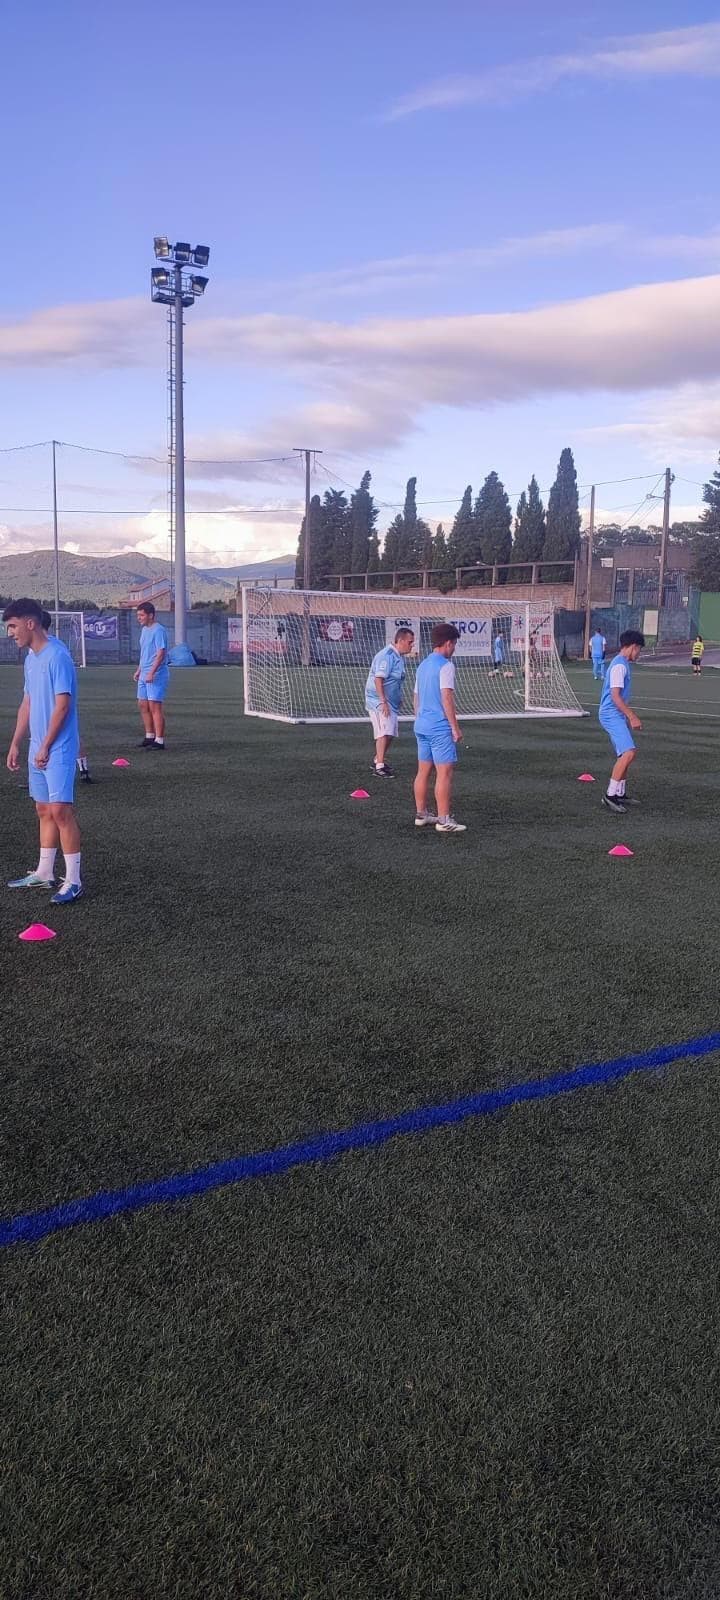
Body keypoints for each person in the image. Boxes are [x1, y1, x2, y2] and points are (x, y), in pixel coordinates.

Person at [3, 597, 83, 903]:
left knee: (61, 811)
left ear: (30, 623)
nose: (10, 633)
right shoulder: (30, 659)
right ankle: (45, 872)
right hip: (38, 746)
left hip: (58, 747)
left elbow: (63, 706)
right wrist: (16, 742)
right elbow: (28, 703)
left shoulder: (56, 656)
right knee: (42, 809)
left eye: (12, 626)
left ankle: (73, 880)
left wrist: (47, 745)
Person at [413, 622, 466, 834]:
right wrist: (455, 727)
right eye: (454, 645)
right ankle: (444, 820)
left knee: (423, 771)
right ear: (447, 643)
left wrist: (420, 718)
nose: (454, 649)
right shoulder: (446, 665)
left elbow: (416, 697)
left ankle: (421, 814)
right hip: (438, 727)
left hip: (421, 725)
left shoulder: (423, 665)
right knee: (444, 773)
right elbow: (446, 697)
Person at [39, 610, 93, 783]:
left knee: (66, 733)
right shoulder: (44, 649)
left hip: (56, 701)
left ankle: (81, 769)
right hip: (49, 701)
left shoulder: (54, 649)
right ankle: (44, 772)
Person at [598, 628, 645, 815]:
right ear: (633, 647)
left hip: (615, 713)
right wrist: (632, 716)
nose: (639, 653)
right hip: (611, 713)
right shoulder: (619, 666)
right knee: (629, 753)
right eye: (639, 649)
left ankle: (620, 792)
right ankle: (610, 796)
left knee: (624, 754)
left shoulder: (622, 663)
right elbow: (615, 696)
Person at [365, 627, 415, 777]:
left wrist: (398, 698)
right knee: (383, 731)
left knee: (391, 732)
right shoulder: (386, 655)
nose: (412, 645)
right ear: (400, 641)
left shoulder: (398, 656)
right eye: (410, 642)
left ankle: (377, 759)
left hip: (390, 701)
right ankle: (379, 767)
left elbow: (395, 681)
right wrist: (383, 701)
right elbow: (378, 679)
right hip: (377, 700)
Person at [134, 602, 169, 748]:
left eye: (141, 615)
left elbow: (161, 654)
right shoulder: (144, 630)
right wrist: (139, 670)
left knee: (155, 706)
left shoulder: (159, 630)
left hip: (156, 674)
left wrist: (151, 672)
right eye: (138, 615)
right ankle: (149, 735)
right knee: (142, 704)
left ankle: (159, 740)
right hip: (144, 673)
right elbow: (145, 654)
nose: (139, 618)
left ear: (151, 615)